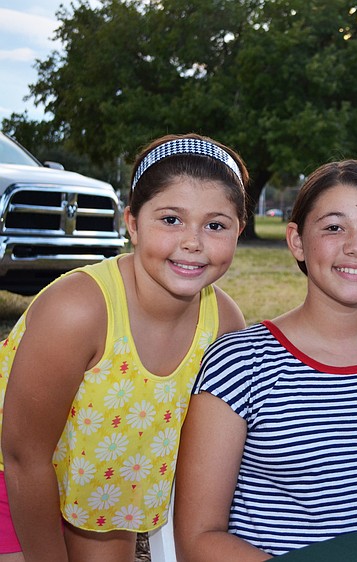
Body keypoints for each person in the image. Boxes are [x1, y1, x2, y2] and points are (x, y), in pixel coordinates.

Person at [174, 160, 357, 560]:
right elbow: (199, 538)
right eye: (334, 227)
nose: (356, 246)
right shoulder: (240, 363)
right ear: (296, 240)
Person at [0, 133, 249, 562]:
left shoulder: (225, 323)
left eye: (215, 225)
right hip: (14, 479)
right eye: (171, 219)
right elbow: (24, 456)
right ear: (132, 222)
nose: (192, 241)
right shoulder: (77, 310)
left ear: (239, 231)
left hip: (103, 492)